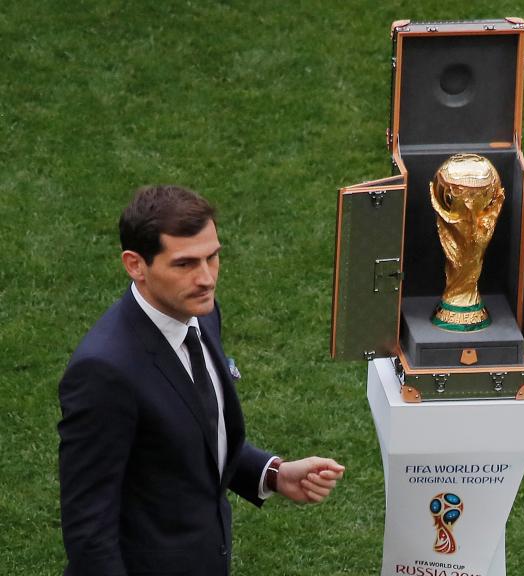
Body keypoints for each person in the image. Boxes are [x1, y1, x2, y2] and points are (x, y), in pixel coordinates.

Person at [58, 185, 346, 576]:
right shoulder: (104, 372)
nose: (207, 278)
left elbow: (193, 431)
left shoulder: (202, 314)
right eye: (185, 264)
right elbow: (89, 528)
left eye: (213, 257)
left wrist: (272, 473)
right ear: (135, 265)